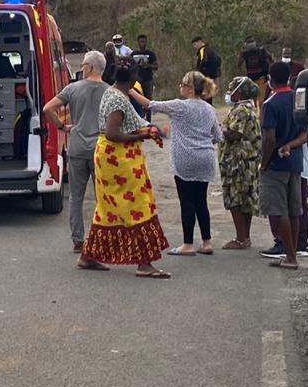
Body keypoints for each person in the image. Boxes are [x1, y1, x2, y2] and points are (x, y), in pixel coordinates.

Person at [78, 62, 170, 278]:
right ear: (132, 79)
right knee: (137, 205)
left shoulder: (112, 91)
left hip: (109, 156)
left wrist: (146, 130)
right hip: (118, 158)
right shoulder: (118, 99)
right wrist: (142, 135)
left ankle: (88, 256)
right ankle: (144, 263)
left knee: (108, 207)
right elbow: (112, 132)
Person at [130, 71, 223, 256]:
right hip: (205, 157)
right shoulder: (209, 109)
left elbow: (150, 104)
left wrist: (131, 91)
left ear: (189, 88)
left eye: (182, 84)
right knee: (201, 201)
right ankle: (207, 241)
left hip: (185, 157)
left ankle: (187, 243)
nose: (180, 87)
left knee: (187, 200)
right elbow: (218, 136)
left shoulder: (179, 106)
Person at [43, 51, 110, 254]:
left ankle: (78, 240)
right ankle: (102, 238)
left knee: (76, 197)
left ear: (90, 67)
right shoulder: (109, 92)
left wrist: (63, 127)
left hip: (78, 148)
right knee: (103, 197)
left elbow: (48, 109)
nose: (81, 68)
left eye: (83, 65)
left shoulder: (73, 88)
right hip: (100, 149)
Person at [258, 62, 308, 269]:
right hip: (295, 162)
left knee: (281, 211)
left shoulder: (271, 103)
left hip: (276, 165)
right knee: (295, 209)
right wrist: (290, 145)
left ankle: (290, 256)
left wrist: (264, 164)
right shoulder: (297, 99)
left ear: (270, 79)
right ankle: (293, 251)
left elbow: (270, 138)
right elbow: (305, 133)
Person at [217, 77, 262, 250]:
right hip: (247, 161)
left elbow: (235, 133)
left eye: (232, 89)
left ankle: (240, 238)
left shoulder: (241, 110)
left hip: (238, 162)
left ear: (240, 92)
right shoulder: (248, 107)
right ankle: (245, 236)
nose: (229, 93)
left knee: (235, 198)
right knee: (246, 199)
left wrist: (218, 131)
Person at [132, 35, 159, 121]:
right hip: (136, 81)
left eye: (144, 41)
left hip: (148, 80)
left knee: (148, 101)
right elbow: (130, 66)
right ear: (138, 42)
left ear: (146, 42)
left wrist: (148, 65)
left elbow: (156, 66)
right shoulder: (133, 54)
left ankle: (149, 120)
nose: (142, 43)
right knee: (136, 99)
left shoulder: (150, 54)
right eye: (141, 41)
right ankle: (138, 119)